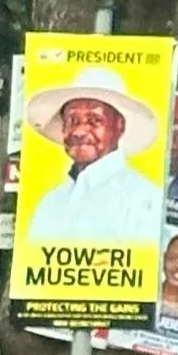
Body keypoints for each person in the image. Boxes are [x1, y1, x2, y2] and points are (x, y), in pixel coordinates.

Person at [23, 65, 164, 243]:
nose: (80, 131)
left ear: (119, 126)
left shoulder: (144, 200)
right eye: (72, 120)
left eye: (94, 120)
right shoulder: (50, 204)